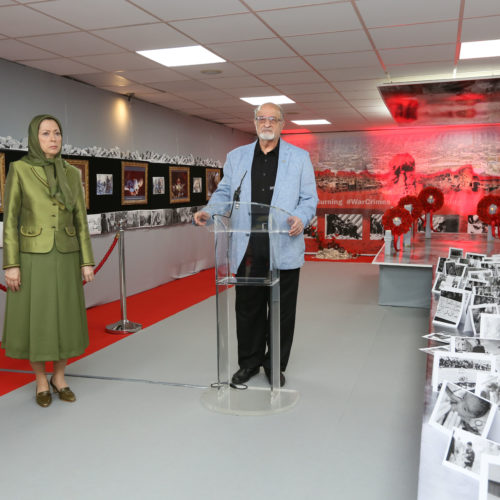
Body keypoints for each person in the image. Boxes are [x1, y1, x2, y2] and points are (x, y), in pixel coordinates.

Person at [194, 102, 318, 386]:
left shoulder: (299, 158)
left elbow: (309, 199)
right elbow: (224, 192)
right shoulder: (236, 157)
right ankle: (248, 362)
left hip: (282, 244)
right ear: (254, 122)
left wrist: (301, 217)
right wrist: (209, 211)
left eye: (273, 119)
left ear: (282, 124)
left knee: (281, 311)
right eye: (261, 118)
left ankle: (275, 364)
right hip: (247, 246)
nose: (266, 123)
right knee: (247, 308)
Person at [1, 114, 95, 407]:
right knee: (38, 319)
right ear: (34, 137)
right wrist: (11, 263)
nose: (53, 139)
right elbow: (11, 220)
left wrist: (87, 260)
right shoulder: (19, 170)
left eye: (57, 133)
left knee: (65, 316)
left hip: (66, 256)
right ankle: (41, 380)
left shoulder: (71, 173)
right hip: (32, 257)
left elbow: (80, 218)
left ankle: (60, 376)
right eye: (45, 133)